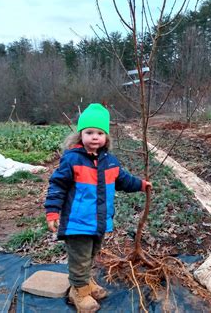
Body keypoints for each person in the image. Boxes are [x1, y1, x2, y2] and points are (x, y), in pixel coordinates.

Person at [45, 103, 152, 312]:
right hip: (77, 223)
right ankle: (78, 291)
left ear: (106, 137)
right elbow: (57, 186)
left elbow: (123, 180)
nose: (95, 137)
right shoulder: (72, 160)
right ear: (80, 135)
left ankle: (86, 282)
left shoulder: (110, 162)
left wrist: (140, 184)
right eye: (89, 132)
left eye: (100, 133)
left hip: (99, 222)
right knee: (80, 258)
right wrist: (52, 211)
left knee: (92, 254)